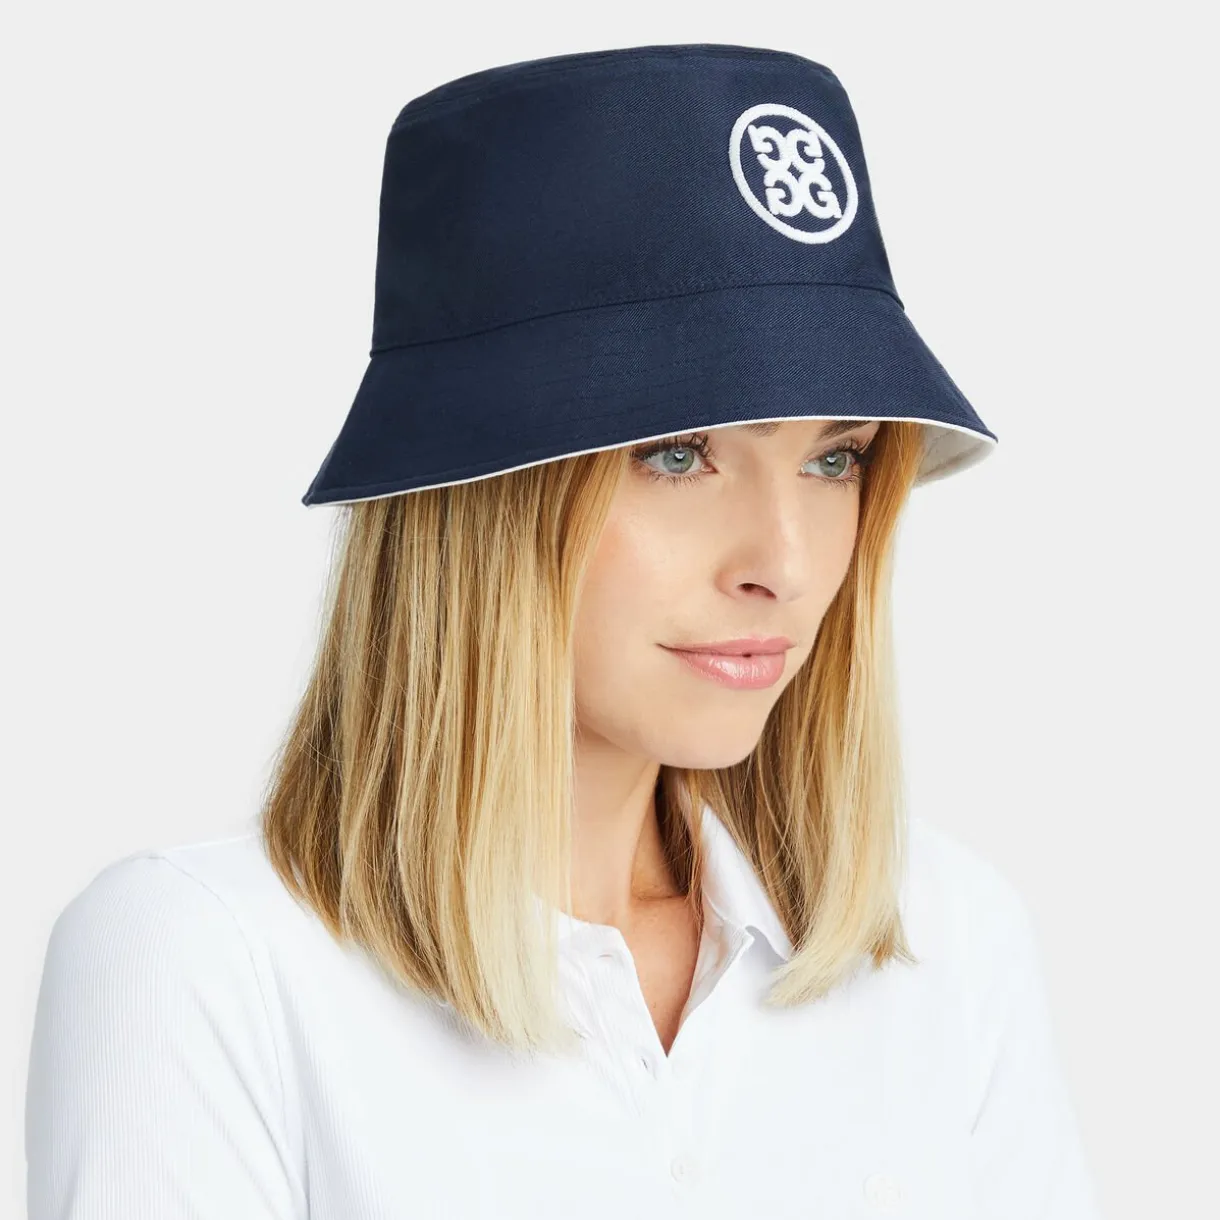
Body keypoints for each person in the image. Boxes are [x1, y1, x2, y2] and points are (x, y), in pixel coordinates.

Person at [25, 42, 1102, 1219]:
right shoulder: (209, 964)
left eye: (833, 457)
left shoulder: (947, 944)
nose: (785, 564)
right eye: (677, 454)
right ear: (480, 496)